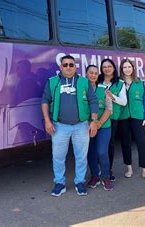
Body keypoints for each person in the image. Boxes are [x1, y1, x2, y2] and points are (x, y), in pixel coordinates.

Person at [41, 55, 99, 197]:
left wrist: (93, 122)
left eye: (71, 65)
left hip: (81, 126)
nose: (68, 67)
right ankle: (59, 183)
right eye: (65, 65)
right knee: (58, 156)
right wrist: (47, 121)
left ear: (75, 67)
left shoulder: (84, 82)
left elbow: (93, 102)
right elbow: (45, 102)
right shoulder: (53, 82)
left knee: (81, 156)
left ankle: (80, 182)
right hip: (60, 126)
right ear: (60, 67)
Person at [118, 58, 145, 181]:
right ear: (121, 69)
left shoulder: (139, 82)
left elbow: (144, 100)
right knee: (125, 143)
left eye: (129, 67)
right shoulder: (118, 83)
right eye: (124, 67)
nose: (127, 69)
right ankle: (129, 168)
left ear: (133, 68)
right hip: (123, 117)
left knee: (141, 143)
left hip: (138, 117)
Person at [85, 65, 114, 191]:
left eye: (96, 73)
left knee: (102, 152)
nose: (93, 75)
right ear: (86, 74)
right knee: (90, 152)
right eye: (90, 73)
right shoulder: (82, 89)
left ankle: (106, 176)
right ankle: (95, 176)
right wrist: (90, 124)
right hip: (87, 127)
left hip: (103, 126)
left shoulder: (104, 89)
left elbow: (109, 109)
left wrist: (98, 124)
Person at [99, 59, 127, 181]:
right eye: (104, 67)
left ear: (114, 68)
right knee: (97, 144)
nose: (107, 69)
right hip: (98, 117)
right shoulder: (98, 81)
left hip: (112, 118)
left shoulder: (120, 83)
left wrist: (112, 96)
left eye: (109, 66)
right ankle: (97, 170)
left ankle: (108, 170)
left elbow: (124, 102)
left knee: (109, 144)